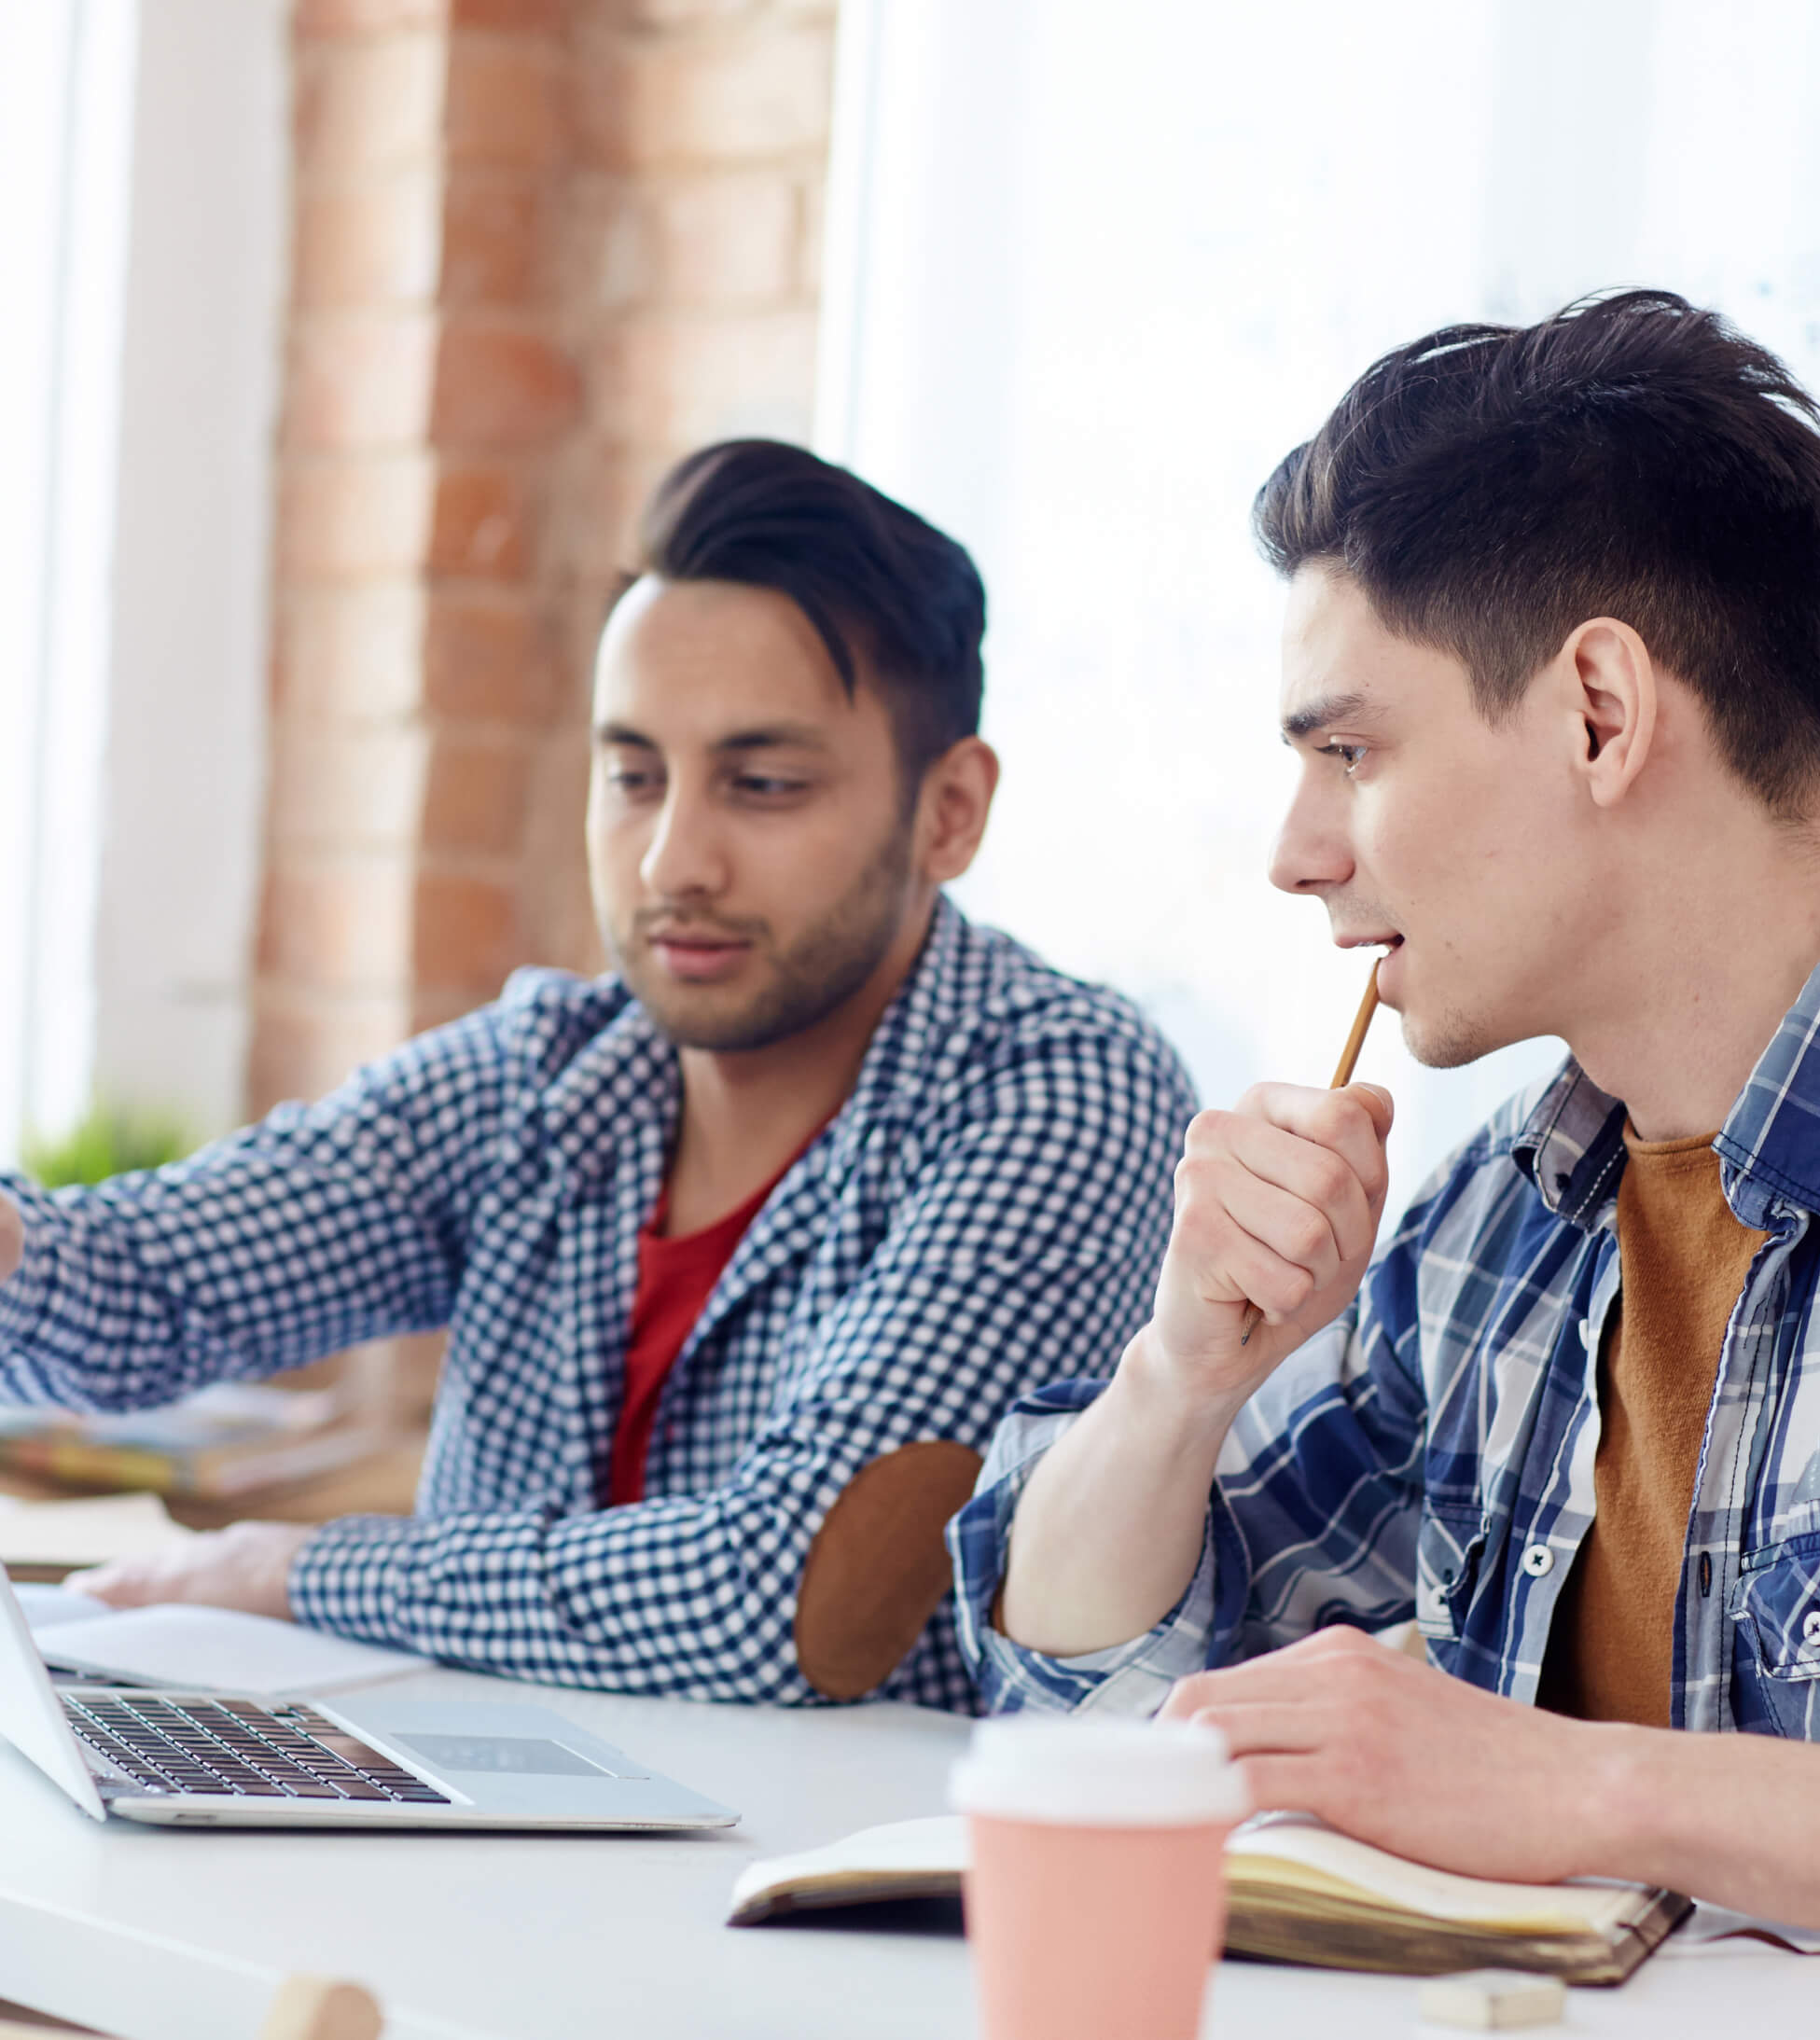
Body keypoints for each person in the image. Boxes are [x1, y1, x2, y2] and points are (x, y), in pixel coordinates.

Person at [952, 291, 1820, 1934]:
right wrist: (1182, 1377)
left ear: (1602, 711)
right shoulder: (1501, 1225)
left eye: (1352, 750)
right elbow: (1077, 1676)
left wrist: (1572, 1787)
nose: (1297, 851)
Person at [0, 439, 1195, 1711]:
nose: (673, 859)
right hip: (466, 1858)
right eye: (632, 776)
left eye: (765, 785)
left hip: (828, 1888)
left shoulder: (1059, 1088)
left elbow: (782, 1602)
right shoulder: (548, 1073)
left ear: (948, 811)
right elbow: (143, 1284)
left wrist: (296, 1570)